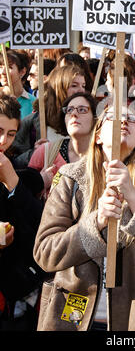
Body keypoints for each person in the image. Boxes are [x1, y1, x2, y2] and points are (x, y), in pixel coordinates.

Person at [33, 105, 135, 331]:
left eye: (132, 119)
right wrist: (96, 223)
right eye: (113, 117)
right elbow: (45, 253)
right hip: (74, 317)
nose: (124, 121)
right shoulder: (70, 179)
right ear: (97, 136)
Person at [0, 95, 45, 331]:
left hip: (12, 294)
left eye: (10, 133)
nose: (2, 141)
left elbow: (39, 225)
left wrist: (14, 182)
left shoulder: (10, 167)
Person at [12, 64, 88, 168]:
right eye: (74, 85)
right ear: (59, 88)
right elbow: (15, 162)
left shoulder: (89, 120)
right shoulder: (33, 123)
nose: (81, 90)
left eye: (83, 86)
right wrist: (35, 153)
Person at [28, 92, 97, 198]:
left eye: (82, 109)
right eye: (69, 110)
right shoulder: (45, 151)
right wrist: (40, 182)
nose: (74, 114)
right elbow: (25, 195)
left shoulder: (102, 157)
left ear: (94, 118)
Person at [0, 50, 36, 119]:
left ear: (22, 72)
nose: (2, 72)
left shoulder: (34, 104)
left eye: (9, 67)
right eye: (1, 67)